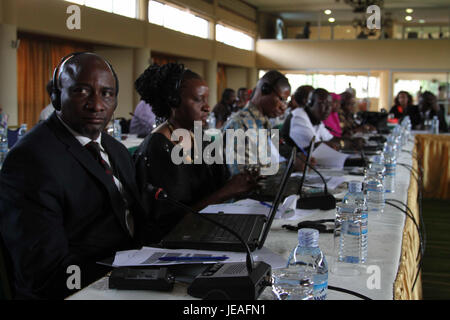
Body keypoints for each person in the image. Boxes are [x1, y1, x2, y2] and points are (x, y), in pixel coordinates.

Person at [0, 52, 155, 299]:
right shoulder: (30, 160)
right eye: (81, 91)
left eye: (107, 93)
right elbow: (44, 273)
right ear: (56, 97)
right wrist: (129, 275)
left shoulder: (116, 150)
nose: (97, 104)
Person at [133, 63, 257, 239]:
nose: (207, 107)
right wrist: (228, 191)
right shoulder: (157, 149)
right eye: (199, 100)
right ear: (173, 102)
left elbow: (220, 185)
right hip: (174, 243)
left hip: (205, 230)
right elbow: (170, 223)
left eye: (206, 99)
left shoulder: (199, 136)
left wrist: (245, 182)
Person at [223, 70, 306, 175]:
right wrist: (289, 166)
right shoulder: (239, 125)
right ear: (264, 90)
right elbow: (241, 178)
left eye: (285, 101)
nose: (284, 107)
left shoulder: (263, 124)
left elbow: (264, 164)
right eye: (281, 99)